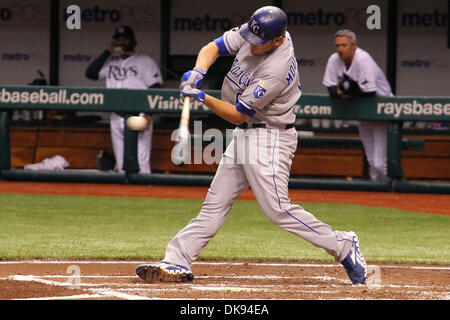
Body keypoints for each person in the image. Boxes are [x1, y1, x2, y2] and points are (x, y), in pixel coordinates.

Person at [136, 7, 367, 284]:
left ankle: (343, 244)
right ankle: (177, 260)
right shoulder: (258, 31)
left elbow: (238, 113)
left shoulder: (276, 69)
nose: (251, 45)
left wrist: (202, 96)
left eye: (259, 44)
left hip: (270, 137)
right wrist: (199, 71)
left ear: (277, 41)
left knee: (277, 209)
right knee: (215, 203)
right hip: (246, 134)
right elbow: (213, 47)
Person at [85, 26, 163, 174]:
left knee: (141, 162)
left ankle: (145, 194)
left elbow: (156, 88)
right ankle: (127, 195)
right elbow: (90, 73)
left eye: (125, 39)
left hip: (138, 114)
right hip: (117, 116)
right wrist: (107, 52)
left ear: (133, 40)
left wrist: (148, 114)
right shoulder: (110, 63)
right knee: (121, 165)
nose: (121, 42)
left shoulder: (145, 61)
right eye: (118, 39)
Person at [323, 29, 393, 182]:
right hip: (362, 112)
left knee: (380, 163)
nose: (340, 49)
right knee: (372, 161)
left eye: (344, 45)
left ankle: (389, 190)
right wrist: (346, 92)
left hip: (381, 111)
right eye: (337, 46)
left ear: (353, 45)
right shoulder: (334, 59)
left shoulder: (363, 59)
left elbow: (369, 92)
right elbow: (330, 88)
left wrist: (345, 91)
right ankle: (379, 195)